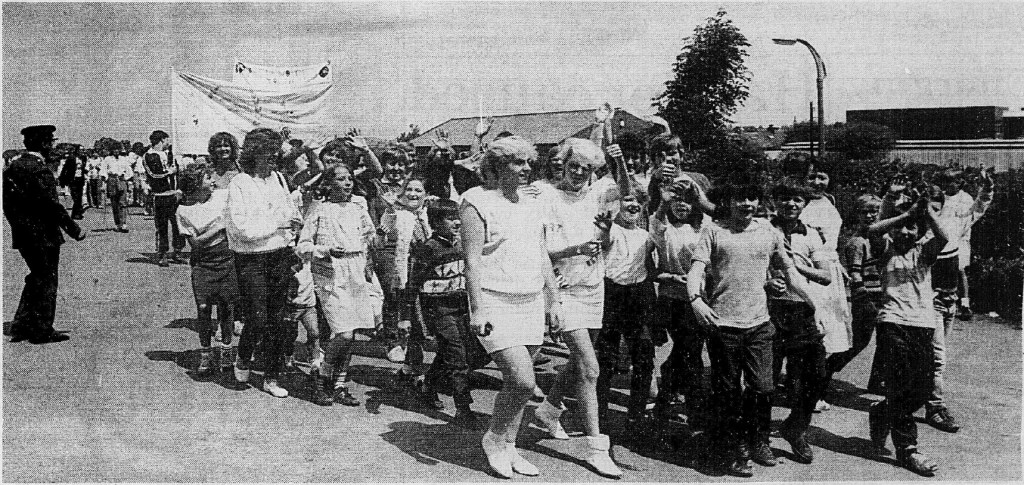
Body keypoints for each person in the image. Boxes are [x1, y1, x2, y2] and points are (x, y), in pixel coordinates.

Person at [686, 183, 817, 478]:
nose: (746, 203)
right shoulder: (714, 230)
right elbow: (696, 270)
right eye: (739, 198)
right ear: (729, 201)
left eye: (751, 197)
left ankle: (751, 440)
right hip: (723, 326)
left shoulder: (768, 231)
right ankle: (734, 450)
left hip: (759, 324)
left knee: (763, 387)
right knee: (728, 391)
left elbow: (790, 271)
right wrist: (696, 300)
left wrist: (814, 305)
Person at [461, 136, 563, 478]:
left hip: (530, 299)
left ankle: (509, 445)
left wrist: (554, 299)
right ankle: (494, 439)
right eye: (518, 162)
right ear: (495, 167)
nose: (527, 168)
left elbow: (541, 253)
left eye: (528, 162)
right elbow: (472, 261)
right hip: (493, 300)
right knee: (521, 380)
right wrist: (478, 309)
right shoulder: (475, 201)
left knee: (516, 384)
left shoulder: (532, 201)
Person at [533, 138, 623, 478]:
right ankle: (596, 447)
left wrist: (606, 232)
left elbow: (612, 232)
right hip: (563, 289)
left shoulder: (597, 195)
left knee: (578, 361)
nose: (579, 173)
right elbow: (541, 252)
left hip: (593, 288)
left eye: (586, 170)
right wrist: (575, 249)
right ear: (564, 164)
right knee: (590, 368)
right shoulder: (546, 196)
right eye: (574, 166)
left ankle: (548, 411)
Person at [866, 183, 950, 477]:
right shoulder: (886, 251)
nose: (905, 232)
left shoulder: (924, 254)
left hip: (923, 325)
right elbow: (875, 230)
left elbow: (943, 236)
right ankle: (908, 450)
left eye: (911, 229)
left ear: (920, 232)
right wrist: (907, 215)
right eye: (901, 228)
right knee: (901, 387)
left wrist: (924, 213)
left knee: (924, 389)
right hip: (892, 323)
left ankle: (882, 410)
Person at [225, 128, 303, 399]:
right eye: (267, 154)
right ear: (254, 154)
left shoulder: (279, 179)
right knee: (257, 317)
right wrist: (278, 225)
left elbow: (290, 214)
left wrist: (294, 224)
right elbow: (240, 228)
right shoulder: (240, 183)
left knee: (277, 319)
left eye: (275, 155)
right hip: (251, 259)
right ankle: (243, 357)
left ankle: (271, 375)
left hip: (279, 255)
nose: (273, 160)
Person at [297, 164, 377, 406]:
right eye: (341, 179)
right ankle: (321, 378)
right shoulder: (319, 209)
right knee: (342, 332)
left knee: (351, 334)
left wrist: (387, 222)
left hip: (356, 271)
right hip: (330, 274)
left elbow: (371, 236)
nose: (348, 183)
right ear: (329, 183)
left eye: (350, 178)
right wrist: (325, 250)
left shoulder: (358, 207)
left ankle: (340, 385)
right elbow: (303, 246)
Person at [406, 199, 490, 426]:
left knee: (457, 354)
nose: (456, 222)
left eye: (458, 217)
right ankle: (463, 408)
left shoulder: (463, 244)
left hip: (462, 308)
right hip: (439, 311)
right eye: (450, 218)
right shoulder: (428, 248)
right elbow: (413, 285)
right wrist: (410, 319)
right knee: (457, 357)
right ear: (434, 223)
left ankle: (428, 384)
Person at [766, 181, 833, 465]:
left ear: (803, 204)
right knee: (764, 379)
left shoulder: (811, 234)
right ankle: (757, 435)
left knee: (816, 376)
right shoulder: (761, 228)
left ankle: (795, 428)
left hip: (803, 309)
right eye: (784, 199)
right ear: (774, 202)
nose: (791, 204)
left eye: (796, 199)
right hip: (768, 309)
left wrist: (794, 265)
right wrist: (767, 281)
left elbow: (826, 275)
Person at [925, 168, 994, 433]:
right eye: (930, 208)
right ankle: (935, 406)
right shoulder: (918, 233)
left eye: (939, 206)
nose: (936, 212)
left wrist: (986, 189)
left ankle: (897, 403)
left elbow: (977, 209)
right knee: (937, 357)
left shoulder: (954, 222)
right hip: (927, 302)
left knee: (930, 356)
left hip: (948, 302)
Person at [3, 125, 86, 344]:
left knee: (35, 278)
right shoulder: (39, 168)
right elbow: (51, 205)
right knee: (47, 280)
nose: (52, 146)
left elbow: (8, 205)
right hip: (43, 235)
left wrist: (18, 226)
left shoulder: (13, 167)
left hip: (23, 235)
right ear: (43, 144)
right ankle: (41, 330)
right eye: (50, 142)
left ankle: (21, 325)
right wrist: (74, 229)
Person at [594, 178, 658, 434]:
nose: (633, 205)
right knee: (606, 357)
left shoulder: (646, 236)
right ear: (615, 205)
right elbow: (605, 241)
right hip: (612, 294)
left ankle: (636, 415)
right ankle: (599, 413)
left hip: (638, 297)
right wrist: (606, 229)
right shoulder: (610, 230)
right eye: (627, 200)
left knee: (644, 356)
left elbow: (650, 266)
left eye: (638, 201)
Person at [648, 180, 713, 428]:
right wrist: (664, 201)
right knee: (691, 352)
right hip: (673, 300)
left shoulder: (704, 228)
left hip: (701, 298)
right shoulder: (666, 228)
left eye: (687, 200)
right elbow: (655, 223)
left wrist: (700, 195)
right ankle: (695, 410)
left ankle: (665, 399)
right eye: (677, 200)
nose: (681, 206)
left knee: (687, 351)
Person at [175, 163, 239, 374]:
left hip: (226, 260)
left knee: (227, 308)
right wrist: (219, 227)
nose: (212, 181)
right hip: (203, 265)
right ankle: (205, 354)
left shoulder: (221, 197)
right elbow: (196, 244)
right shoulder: (183, 211)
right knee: (203, 310)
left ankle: (227, 353)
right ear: (195, 184)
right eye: (207, 178)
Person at [800, 158, 852, 411]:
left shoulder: (829, 202)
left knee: (830, 334)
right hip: (809, 274)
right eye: (812, 177)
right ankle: (805, 393)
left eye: (822, 177)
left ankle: (813, 388)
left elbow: (831, 240)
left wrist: (838, 263)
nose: (817, 182)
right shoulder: (800, 205)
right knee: (812, 333)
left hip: (829, 273)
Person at [828, 194, 887, 395]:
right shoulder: (857, 242)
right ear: (857, 214)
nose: (870, 216)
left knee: (885, 340)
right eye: (865, 212)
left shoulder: (884, 239)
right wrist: (865, 299)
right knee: (859, 341)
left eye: (874, 211)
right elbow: (855, 274)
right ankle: (826, 369)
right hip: (867, 298)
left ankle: (878, 380)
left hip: (884, 296)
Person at [144, 130, 185, 266]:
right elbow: (154, 175)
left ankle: (177, 251)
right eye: (167, 140)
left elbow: (178, 173)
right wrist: (170, 171)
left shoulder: (170, 154)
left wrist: (179, 187)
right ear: (161, 140)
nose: (169, 143)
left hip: (174, 195)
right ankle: (162, 254)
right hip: (160, 196)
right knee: (162, 227)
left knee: (178, 225)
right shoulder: (149, 156)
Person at [103, 142, 134, 233]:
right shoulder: (107, 159)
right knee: (114, 204)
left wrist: (126, 178)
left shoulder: (124, 159)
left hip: (121, 181)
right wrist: (106, 179)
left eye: (118, 149)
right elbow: (103, 170)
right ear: (112, 150)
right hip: (112, 181)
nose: (116, 151)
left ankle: (123, 223)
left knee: (123, 203)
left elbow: (129, 171)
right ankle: (117, 224)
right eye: (114, 149)